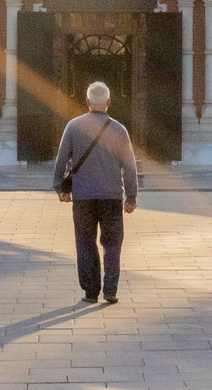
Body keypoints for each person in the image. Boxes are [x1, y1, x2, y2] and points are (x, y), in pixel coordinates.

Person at [52, 79, 138, 305]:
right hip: (111, 197)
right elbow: (129, 166)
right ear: (109, 101)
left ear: (87, 101)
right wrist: (131, 196)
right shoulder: (119, 130)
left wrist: (60, 188)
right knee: (112, 244)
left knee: (85, 243)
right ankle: (110, 290)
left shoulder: (73, 126)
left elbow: (60, 162)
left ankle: (91, 292)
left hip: (83, 198)